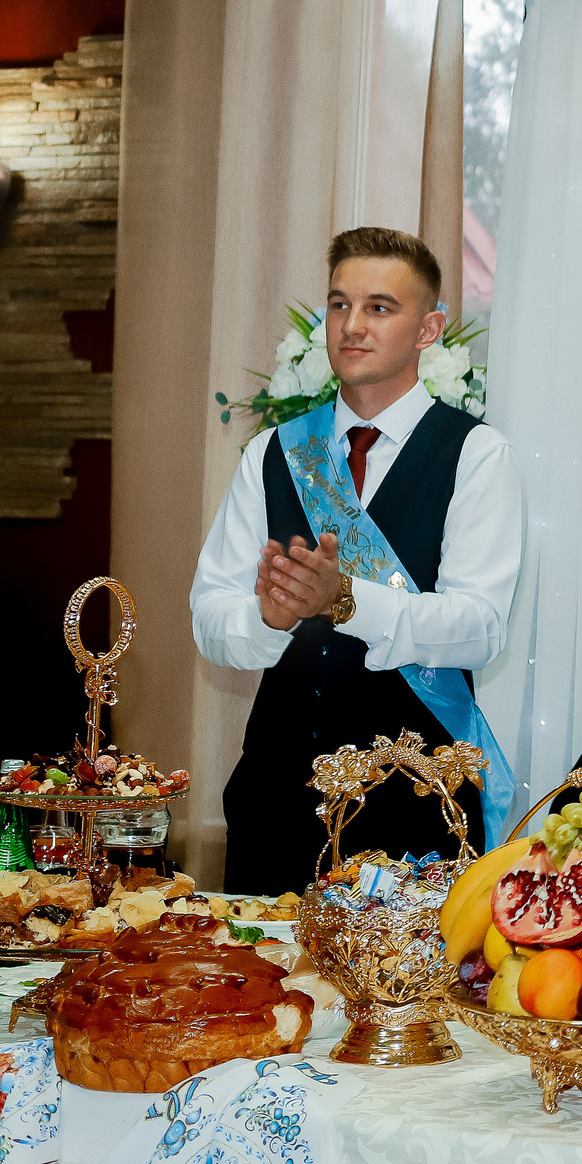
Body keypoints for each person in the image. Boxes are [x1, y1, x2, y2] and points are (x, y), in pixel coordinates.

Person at [192, 228, 522, 892]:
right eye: (339, 305)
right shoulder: (277, 453)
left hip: (416, 804)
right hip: (276, 798)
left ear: (428, 328)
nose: (352, 325)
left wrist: (344, 598)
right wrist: (269, 618)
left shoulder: (477, 455)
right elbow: (209, 616)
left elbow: (480, 627)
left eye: (379, 307)